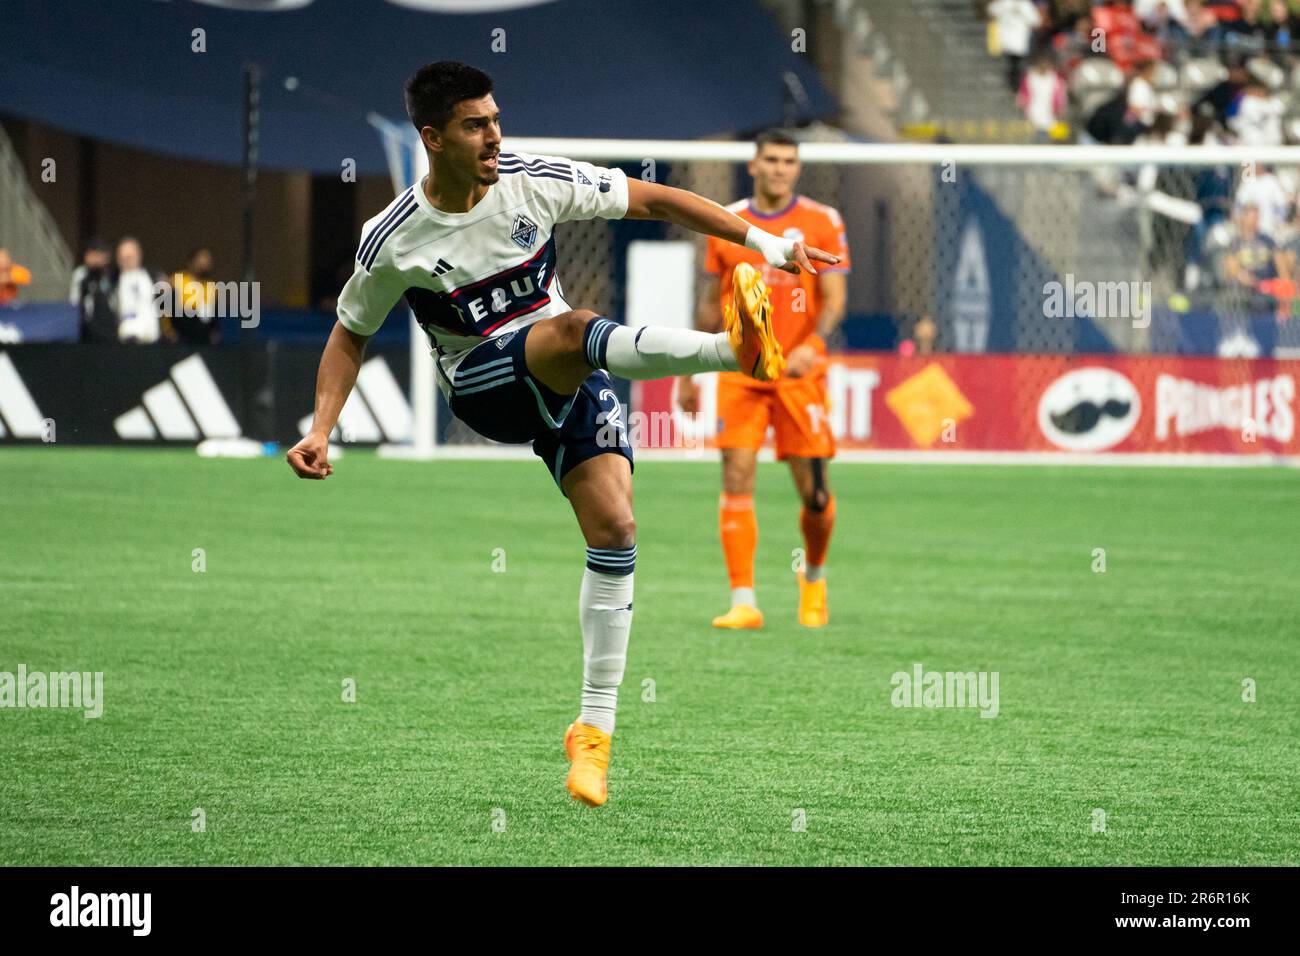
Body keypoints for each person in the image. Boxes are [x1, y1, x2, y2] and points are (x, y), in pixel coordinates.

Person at [284, 62, 839, 809]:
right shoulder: (393, 239)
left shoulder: (532, 179)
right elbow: (349, 334)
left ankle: (593, 733)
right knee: (572, 328)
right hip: (486, 387)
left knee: (616, 526)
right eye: (475, 125)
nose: (494, 135)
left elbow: (652, 199)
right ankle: (729, 352)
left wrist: (763, 242)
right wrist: (322, 428)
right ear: (432, 137)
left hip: (567, 368)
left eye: (495, 118)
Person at [676, 130, 849, 632]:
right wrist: (689, 371)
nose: (780, 168)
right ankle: (743, 600)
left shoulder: (822, 221)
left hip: (800, 375)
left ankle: (812, 577)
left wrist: (812, 347)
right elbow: (712, 305)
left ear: (797, 167)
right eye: (771, 159)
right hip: (741, 370)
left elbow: (835, 300)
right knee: (735, 476)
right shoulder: (726, 222)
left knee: (815, 496)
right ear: (754, 165)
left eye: (789, 160)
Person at [114, 237, 161, 344]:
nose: (128, 260)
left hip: (152, 341)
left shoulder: (154, 276)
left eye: (131, 256)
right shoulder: (112, 281)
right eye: (124, 257)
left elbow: (167, 307)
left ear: (139, 255)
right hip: (121, 343)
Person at [169, 247, 220, 345]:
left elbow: (213, 315)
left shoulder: (210, 286)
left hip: (204, 339)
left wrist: (215, 331)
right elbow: (166, 310)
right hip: (181, 338)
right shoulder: (177, 280)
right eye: (202, 258)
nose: (206, 262)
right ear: (191, 261)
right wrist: (170, 333)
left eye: (208, 260)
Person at [988, 0, 1044, 90]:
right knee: (1009, 63)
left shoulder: (1026, 6)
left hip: (1020, 40)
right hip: (1005, 40)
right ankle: (1011, 82)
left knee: (1016, 64)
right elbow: (992, 11)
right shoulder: (1004, 3)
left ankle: (1015, 84)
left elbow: (1036, 22)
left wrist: (1022, 12)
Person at [70, 239, 118, 342]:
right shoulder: (81, 274)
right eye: (92, 255)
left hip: (109, 327)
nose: (96, 259)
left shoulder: (111, 276)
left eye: (99, 255)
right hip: (86, 326)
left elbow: (114, 302)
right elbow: (75, 301)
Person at [1018, 54, 1067, 139]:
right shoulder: (1030, 77)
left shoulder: (1055, 78)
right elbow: (1023, 94)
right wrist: (1022, 105)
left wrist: (1060, 108)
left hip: (1050, 113)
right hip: (1033, 112)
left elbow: (1060, 96)